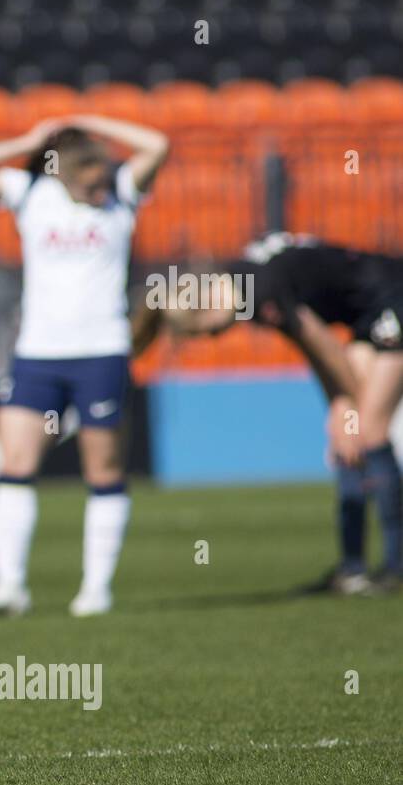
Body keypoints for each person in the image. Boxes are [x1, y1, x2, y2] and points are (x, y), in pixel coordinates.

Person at [0, 115, 170, 616]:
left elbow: (159, 144)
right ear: (65, 176)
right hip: (38, 354)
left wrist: (94, 122)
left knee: (103, 470)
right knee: (15, 465)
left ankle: (96, 589)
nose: (98, 190)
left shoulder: (121, 191)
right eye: (87, 183)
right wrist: (26, 141)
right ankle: (9, 585)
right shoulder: (31, 193)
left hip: (102, 351)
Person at [160, 232, 403, 593]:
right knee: (347, 439)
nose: (213, 337)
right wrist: (340, 407)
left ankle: (396, 568)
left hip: (391, 300)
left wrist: (343, 405)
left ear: (208, 302)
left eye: (206, 332)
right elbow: (317, 349)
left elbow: (323, 346)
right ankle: (353, 570)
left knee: (369, 432)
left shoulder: (258, 293)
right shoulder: (244, 279)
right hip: (365, 315)